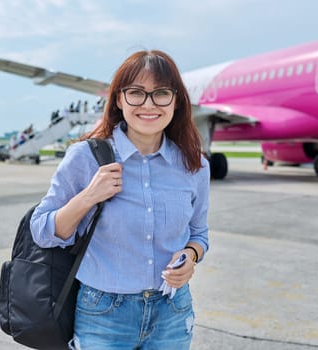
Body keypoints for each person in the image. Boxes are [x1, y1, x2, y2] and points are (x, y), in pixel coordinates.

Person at [30, 50, 210, 350]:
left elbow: (199, 233)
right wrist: (89, 196)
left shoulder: (194, 165)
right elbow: (41, 229)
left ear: (176, 101)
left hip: (173, 311)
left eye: (161, 93)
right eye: (136, 93)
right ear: (118, 99)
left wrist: (190, 257)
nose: (149, 104)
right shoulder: (86, 157)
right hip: (104, 314)